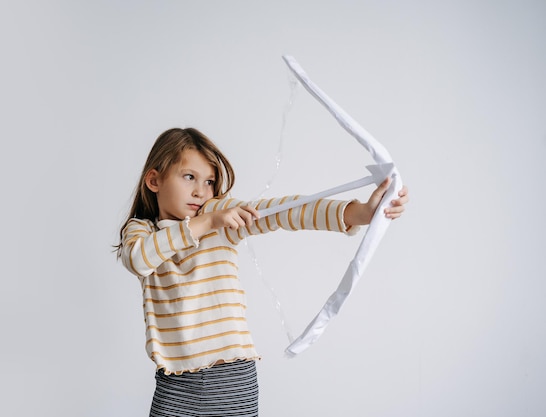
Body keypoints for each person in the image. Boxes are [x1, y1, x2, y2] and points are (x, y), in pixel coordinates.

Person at [115, 127, 409, 417]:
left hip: (232, 381)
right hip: (176, 386)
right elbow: (139, 259)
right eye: (189, 177)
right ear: (154, 180)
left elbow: (285, 211)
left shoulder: (218, 214)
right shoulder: (143, 231)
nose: (201, 191)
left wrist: (358, 213)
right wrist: (209, 222)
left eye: (209, 181)